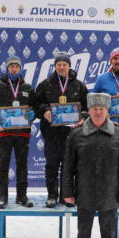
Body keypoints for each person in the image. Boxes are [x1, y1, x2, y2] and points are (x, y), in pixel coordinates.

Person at [62, 92, 119, 238]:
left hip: (109, 193)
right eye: (95, 109)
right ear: (89, 111)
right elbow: (68, 167)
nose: (98, 112)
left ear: (107, 110)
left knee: (109, 235)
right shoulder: (76, 134)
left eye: (101, 109)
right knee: (83, 233)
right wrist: (67, 192)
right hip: (84, 192)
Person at [34, 52, 88, 208]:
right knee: (51, 165)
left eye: (64, 64)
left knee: (69, 166)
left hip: (72, 134)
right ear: (55, 66)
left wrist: (82, 116)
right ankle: (52, 195)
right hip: (51, 134)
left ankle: (67, 196)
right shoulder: (45, 85)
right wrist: (45, 111)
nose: (62, 67)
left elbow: (87, 106)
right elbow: (36, 104)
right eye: (59, 64)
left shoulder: (79, 85)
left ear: (69, 66)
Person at [0, 55, 35, 209]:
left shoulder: (27, 88)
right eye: (11, 66)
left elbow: (35, 107)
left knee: (22, 165)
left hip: (23, 133)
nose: (14, 69)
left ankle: (22, 196)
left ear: (20, 69)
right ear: (7, 68)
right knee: (3, 164)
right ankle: (2, 197)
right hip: (4, 133)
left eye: (17, 66)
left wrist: (32, 114)